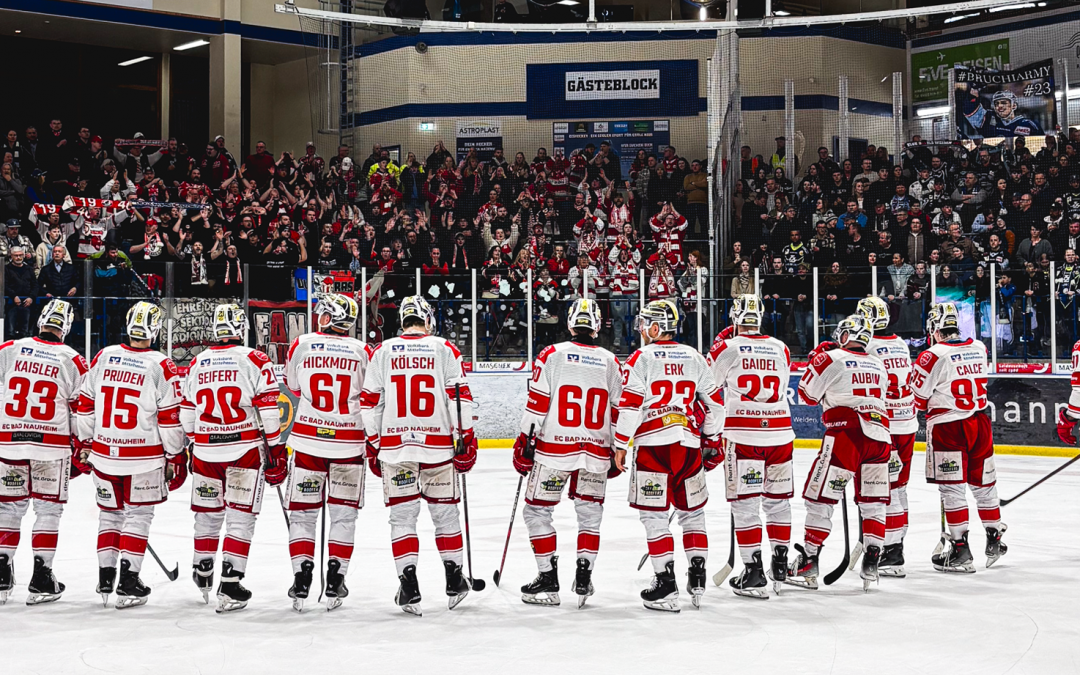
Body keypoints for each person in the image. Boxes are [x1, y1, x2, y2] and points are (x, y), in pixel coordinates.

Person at [360, 295, 477, 616]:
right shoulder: (444, 349)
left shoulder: (382, 351)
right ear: (427, 320)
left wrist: (373, 443)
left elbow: (368, 405)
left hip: (396, 450)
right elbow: (460, 400)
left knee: (402, 519)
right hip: (439, 449)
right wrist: (465, 438)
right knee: (446, 516)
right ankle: (454, 578)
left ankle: (409, 583)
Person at [613, 299, 725, 612]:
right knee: (693, 513)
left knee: (654, 516)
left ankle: (665, 583)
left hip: (653, 446)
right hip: (689, 444)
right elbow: (716, 405)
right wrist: (713, 439)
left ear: (654, 327)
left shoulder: (641, 357)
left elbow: (631, 405)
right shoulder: (694, 356)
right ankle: (698, 576)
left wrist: (621, 443)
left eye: (644, 322)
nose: (640, 328)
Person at [512, 299, 623, 608]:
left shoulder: (552, 354)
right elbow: (619, 411)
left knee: (537, 511)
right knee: (590, 515)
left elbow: (536, 405)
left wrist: (524, 442)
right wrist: (616, 448)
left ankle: (548, 579)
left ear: (571, 324)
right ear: (598, 325)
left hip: (553, 452)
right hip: (597, 450)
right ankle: (584, 576)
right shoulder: (611, 361)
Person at [75, 302, 186, 609]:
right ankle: (128, 581)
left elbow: (85, 406)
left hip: (103, 453)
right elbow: (170, 420)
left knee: (110, 515)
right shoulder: (160, 365)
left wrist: (86, 443)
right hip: (145, 457)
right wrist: (176, 455)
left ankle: (105, 578)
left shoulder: (104, 355)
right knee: (138, 516)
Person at [180, 303, 284, 613]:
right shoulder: (255, 359)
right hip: (244, 450)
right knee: (240, 517)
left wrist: (194, 444)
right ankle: (230, 583)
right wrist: (276, 449)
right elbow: (267, 411)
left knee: (207, 515)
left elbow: (187, 414)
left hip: (206, 450)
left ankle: (203, 570)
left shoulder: (197, 361)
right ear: (241, 327)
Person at [283, 294, 371, 612]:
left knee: (303, 515)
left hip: (308, 442)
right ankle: (335, 578)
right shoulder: (363, 351)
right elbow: (372, 395)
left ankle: (302, 576)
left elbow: (293, 387)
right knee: (344, 515)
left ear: (326, 318)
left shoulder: (302, 343)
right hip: (349, 443)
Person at [790, 314, 890, 591]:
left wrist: (815, 362)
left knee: (819, 499)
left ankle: (809, 559)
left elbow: (806, 395)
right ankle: (872, 558)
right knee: (873, 502)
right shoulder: (879, 365)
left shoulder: (831, 357)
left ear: (847, 335)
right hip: (881, 437)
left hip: (847, 435)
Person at [707, 295, 795, 599]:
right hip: (781, 433)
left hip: (743, 434)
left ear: (734, 316)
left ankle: (754, 570)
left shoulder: (727, 347)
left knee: (745, 505)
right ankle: (781, 564)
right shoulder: (781, 347)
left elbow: (707, 386)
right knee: (778, 501)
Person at [0, 300, 87, 605]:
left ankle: (0, 572)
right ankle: (41, 577)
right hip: (51, 446)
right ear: (67, 327)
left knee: (9, 509)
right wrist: (84, 445)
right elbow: (82, 411)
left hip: (10, 441)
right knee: (48, 511)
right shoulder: (73, 360)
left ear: (41, 321)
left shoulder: (9, 348)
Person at [910, 303, 1006, 572]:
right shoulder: (978, 346)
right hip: (979, 422)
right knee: (984, 486)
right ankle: (994, 536)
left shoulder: (932, 355)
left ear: (935, 328)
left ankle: (960, 550)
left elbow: (919, 399)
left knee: (952, 490)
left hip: (948, 427)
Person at [856, 297, 916, 577]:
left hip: (884, 427)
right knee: (899, 487)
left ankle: (891, 552)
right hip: (907, 422)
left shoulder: (868, 347)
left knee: (884, 490)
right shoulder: (900, 343)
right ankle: (896, 544)